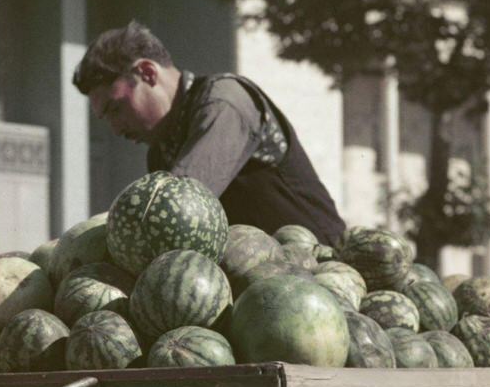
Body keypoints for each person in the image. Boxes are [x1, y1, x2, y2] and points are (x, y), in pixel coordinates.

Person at [72, 21, 346, 244]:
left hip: (324, 276)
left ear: (147, 73)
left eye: (116, 108)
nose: (116, 129)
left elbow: (174, 213)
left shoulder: (224, 101)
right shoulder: (161, 153)